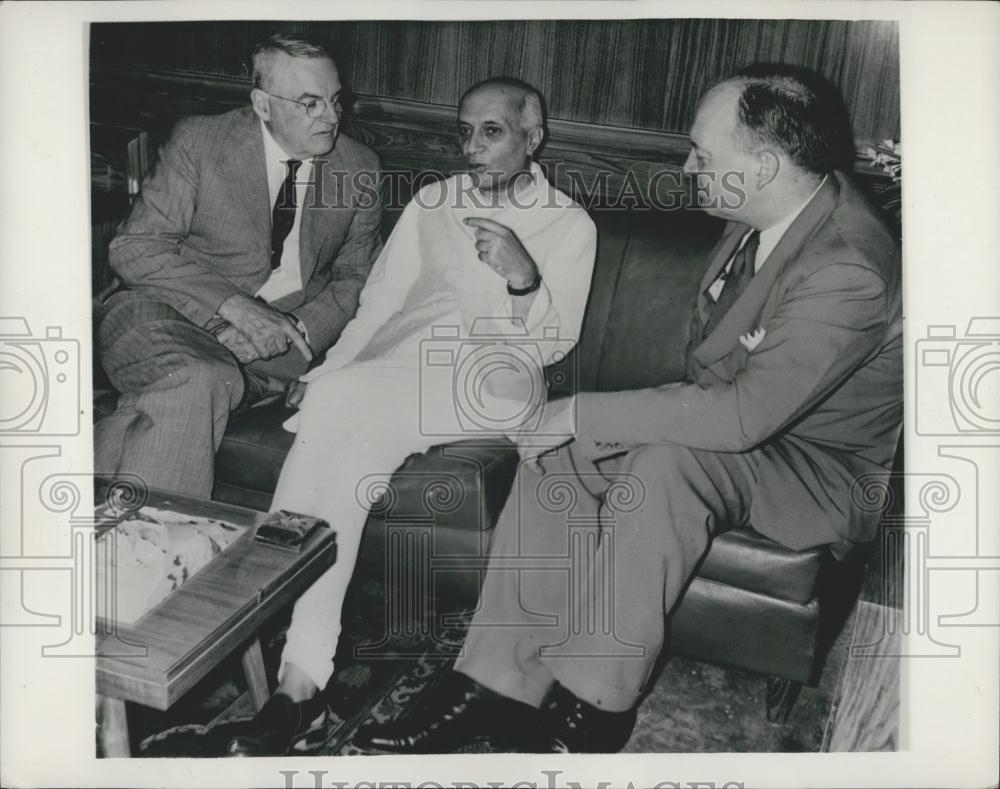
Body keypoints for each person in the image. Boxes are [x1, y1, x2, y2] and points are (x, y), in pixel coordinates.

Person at [355, 64, 903, 754]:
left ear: (765, 164)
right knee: (557, 445)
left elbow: (741, 415)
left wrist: (582, 412)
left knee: (665, 462)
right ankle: (498, 683)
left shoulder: (846, 265)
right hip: (751, 426)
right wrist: (572, 424)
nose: (686, 165)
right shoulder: (764, 208)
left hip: (816, 467)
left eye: (703, 154)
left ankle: (593, 709)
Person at [219, 77, 597, 756]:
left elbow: (554, 340)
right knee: (348, 458)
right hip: (398, 376)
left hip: (493, 382)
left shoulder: (570, 223)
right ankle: (299, 682)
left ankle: (259, 627)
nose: (472, 146)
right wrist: (327, 370)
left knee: (337, 415)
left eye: (493, 131)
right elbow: (379, 305)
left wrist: (524, 279)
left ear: (532, 138)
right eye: (465, 130)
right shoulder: (432, 202)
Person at [94, 33, 382, 498]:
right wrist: (236, 308)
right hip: (159, 316)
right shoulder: (201, 141)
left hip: (275, 351)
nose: (331, 117)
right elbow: (135, 247)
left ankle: (112, 536)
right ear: (262, 104)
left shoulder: (360, 167)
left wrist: (293, 327)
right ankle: (162, 544)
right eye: (309, 103)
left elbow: (357, 278)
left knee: (196, 383)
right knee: (199, 374)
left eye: (335, 100)